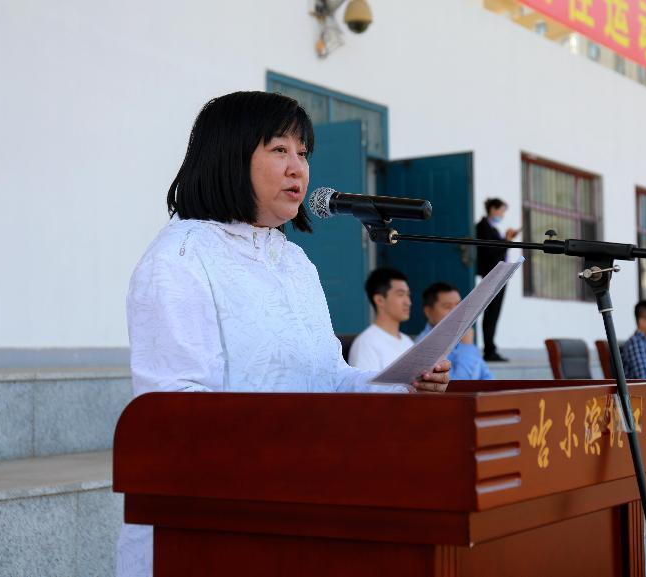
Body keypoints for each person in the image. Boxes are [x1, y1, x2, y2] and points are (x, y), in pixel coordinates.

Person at [115, 92, 449, 577]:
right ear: (230, 156)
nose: (298, 168)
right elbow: (175, 412)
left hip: (299, 501)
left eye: (303, 153)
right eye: (279, 150)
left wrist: (404, 382)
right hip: (212, 523)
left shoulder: (294, 262)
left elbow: (329, 379)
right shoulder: (180, 258)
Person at [416, 282, 493, 380]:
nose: (456, 312)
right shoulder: (423, 346)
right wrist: (466, 346)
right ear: (428, 311)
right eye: (447, 306)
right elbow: (457, 385)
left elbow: (487, 377)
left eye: (459, 305)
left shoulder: (461, 337)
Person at [475, 198, 520, 362]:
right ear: (493, 209)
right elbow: (490, 251)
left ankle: (490, 348)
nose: (502, 215)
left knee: (494, 313)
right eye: (501, 211)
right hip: (492, 274)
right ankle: (489, 350)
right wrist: (506, 241)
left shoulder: (492, 228)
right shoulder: (482, 227)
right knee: (491, 313)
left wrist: (506, 240)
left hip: (499, 274)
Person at [349, 268, 415, 370]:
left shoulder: (408, 342)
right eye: (401, 294)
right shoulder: (366, 344)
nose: (408, 302)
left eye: (408, 295)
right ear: (380, 300)